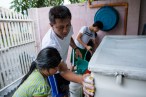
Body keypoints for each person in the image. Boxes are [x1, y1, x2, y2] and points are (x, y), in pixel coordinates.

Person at [41, 5, 94, 97]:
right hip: (53, 70)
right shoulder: (50, 43)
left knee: (66, 88)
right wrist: (81, 79)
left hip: (62, 64)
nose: (65, 30)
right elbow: (62, 70)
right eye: (61, 27)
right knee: (58, 94)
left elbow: (69, 37)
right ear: (52, 25)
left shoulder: (68, 27)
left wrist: (75, 48)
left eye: (68, 25)